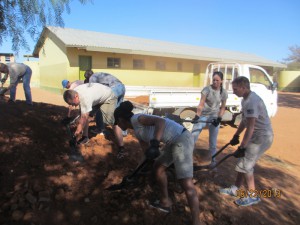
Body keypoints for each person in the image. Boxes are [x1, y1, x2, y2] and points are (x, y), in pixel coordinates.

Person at [114, 101, 201, 225]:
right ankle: (165, 202)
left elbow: (161, 122)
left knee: (186, 182)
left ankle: (196, 222)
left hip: (182, 140)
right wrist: (134, 172)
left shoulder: (137, 118)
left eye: (117, 122)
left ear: (121, 119)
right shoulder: (137, 132)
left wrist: (155, 143)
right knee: (158, 168)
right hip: (172, 142)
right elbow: (146, 154)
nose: (117, 125)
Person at [219, 76, 274, 207]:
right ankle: (236, 189)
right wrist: (236, 135)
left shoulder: (252, 101)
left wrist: (242, 146)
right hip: (256, 135)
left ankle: (253, 196)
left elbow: (251, 126)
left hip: (262, 137)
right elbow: (244, 121)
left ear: (244, 88)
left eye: (235, 89)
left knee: (246, 164)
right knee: (243, 162)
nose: (234, 92)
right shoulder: (245, 100)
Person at [63, 83, 125, 155]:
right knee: (84, 113)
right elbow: (83, 114)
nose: (73, 106)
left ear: (76, 96)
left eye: (73, 103)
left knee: (112, 122)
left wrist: (75, 135)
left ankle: (121, 147)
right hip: (97, 98)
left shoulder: (85, 98)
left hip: (108, 97)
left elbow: (84, 118)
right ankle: (85, 137)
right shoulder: (74, 92)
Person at [191, 71, 228, 166]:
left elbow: (223, 107)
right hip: (203, 116)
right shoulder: (206, 90)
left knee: (213, 142)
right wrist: (197, 116)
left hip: (214, 117)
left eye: (217, 80)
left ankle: (213, 162)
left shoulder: (223, 92)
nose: (215, 82)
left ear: (221, 81)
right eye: (214, 80)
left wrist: (219, 118)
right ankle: (188, 157)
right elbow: (201, 104)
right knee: (193, 136)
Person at [84, 69, 127, 142]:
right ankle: (123, 132)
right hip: (122, 87)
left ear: (88, 77)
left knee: (100, 108)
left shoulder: (92, 78)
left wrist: (91, 110)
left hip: (114, 89)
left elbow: (94, 92)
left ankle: (100, 128)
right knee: (118, 111)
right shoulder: (99, 75)